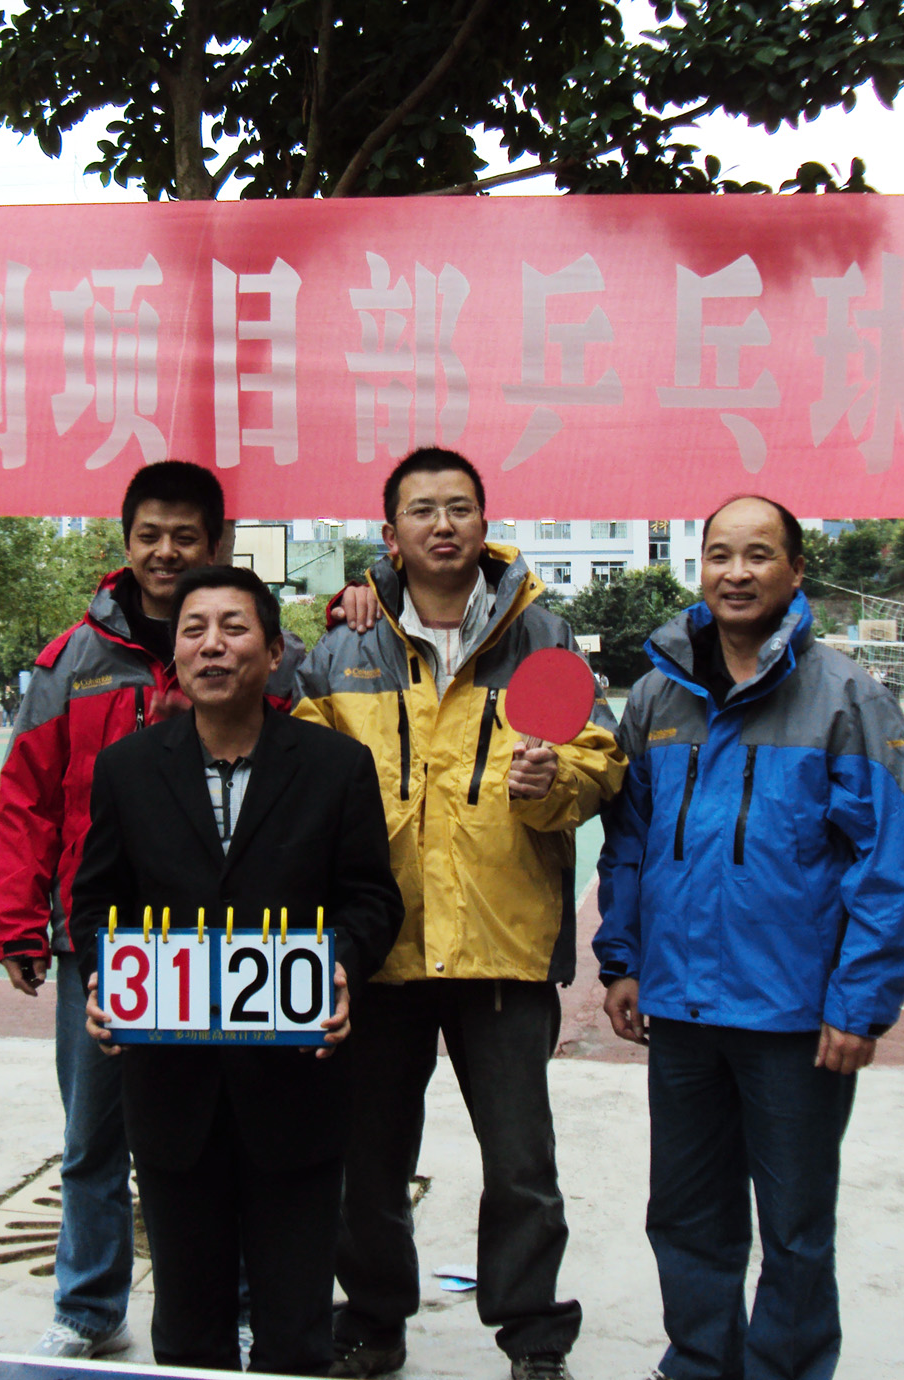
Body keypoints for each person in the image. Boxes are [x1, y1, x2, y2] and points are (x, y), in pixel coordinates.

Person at [296, 448, 626, 1380]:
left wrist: (556, 779)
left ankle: (534, 1336)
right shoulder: (343, 648)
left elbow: (601, 758)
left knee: (521, 1165)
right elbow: (301, 773)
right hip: (380, 949)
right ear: (391, 532)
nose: (442, 525)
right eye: (422, 510)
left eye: (459, 508)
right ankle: (373, 1322)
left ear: (485, 523)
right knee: (366, 1161)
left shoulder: (544, 636)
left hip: (503, 948)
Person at [594, 495, 904, 1380]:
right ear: (699, 567)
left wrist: (859, 1002)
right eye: (719, 555)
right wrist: (623, 960)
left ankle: (789, 1368)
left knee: (795, 1228)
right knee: (685, 1215)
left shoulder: (848, 697)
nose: (735, 573)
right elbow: (628, 841)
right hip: (682, 1012)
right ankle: (700, 1361)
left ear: (795, 571)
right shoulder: (658, 696)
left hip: (793, 1017)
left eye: (758, 555)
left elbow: (890, 864)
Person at [0, 460, 305, 1360]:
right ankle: (88, 1308)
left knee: (229, 1129)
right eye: (149, 536)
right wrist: (18, 919)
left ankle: (238, 1301)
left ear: (217, 543)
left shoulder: (266, 652)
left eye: (185, 537)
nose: (166, 552)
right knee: (94, 1136)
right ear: (125, 542)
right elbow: (27, 795)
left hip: (231, 938)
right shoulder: (72, 661)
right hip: (106, 940)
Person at [72, 566, 404, 1375]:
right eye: (194, 630)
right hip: (172, 1093)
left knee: (295, 1327)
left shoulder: (336, 766)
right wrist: (102, 978)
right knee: (188, 1325)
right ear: (176, 655)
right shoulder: (127, 769)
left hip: (298, 1086)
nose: (212, 646)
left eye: (233, 628)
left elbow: (371, 899)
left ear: (275, 651)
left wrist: (340, 969)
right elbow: (96, 902)